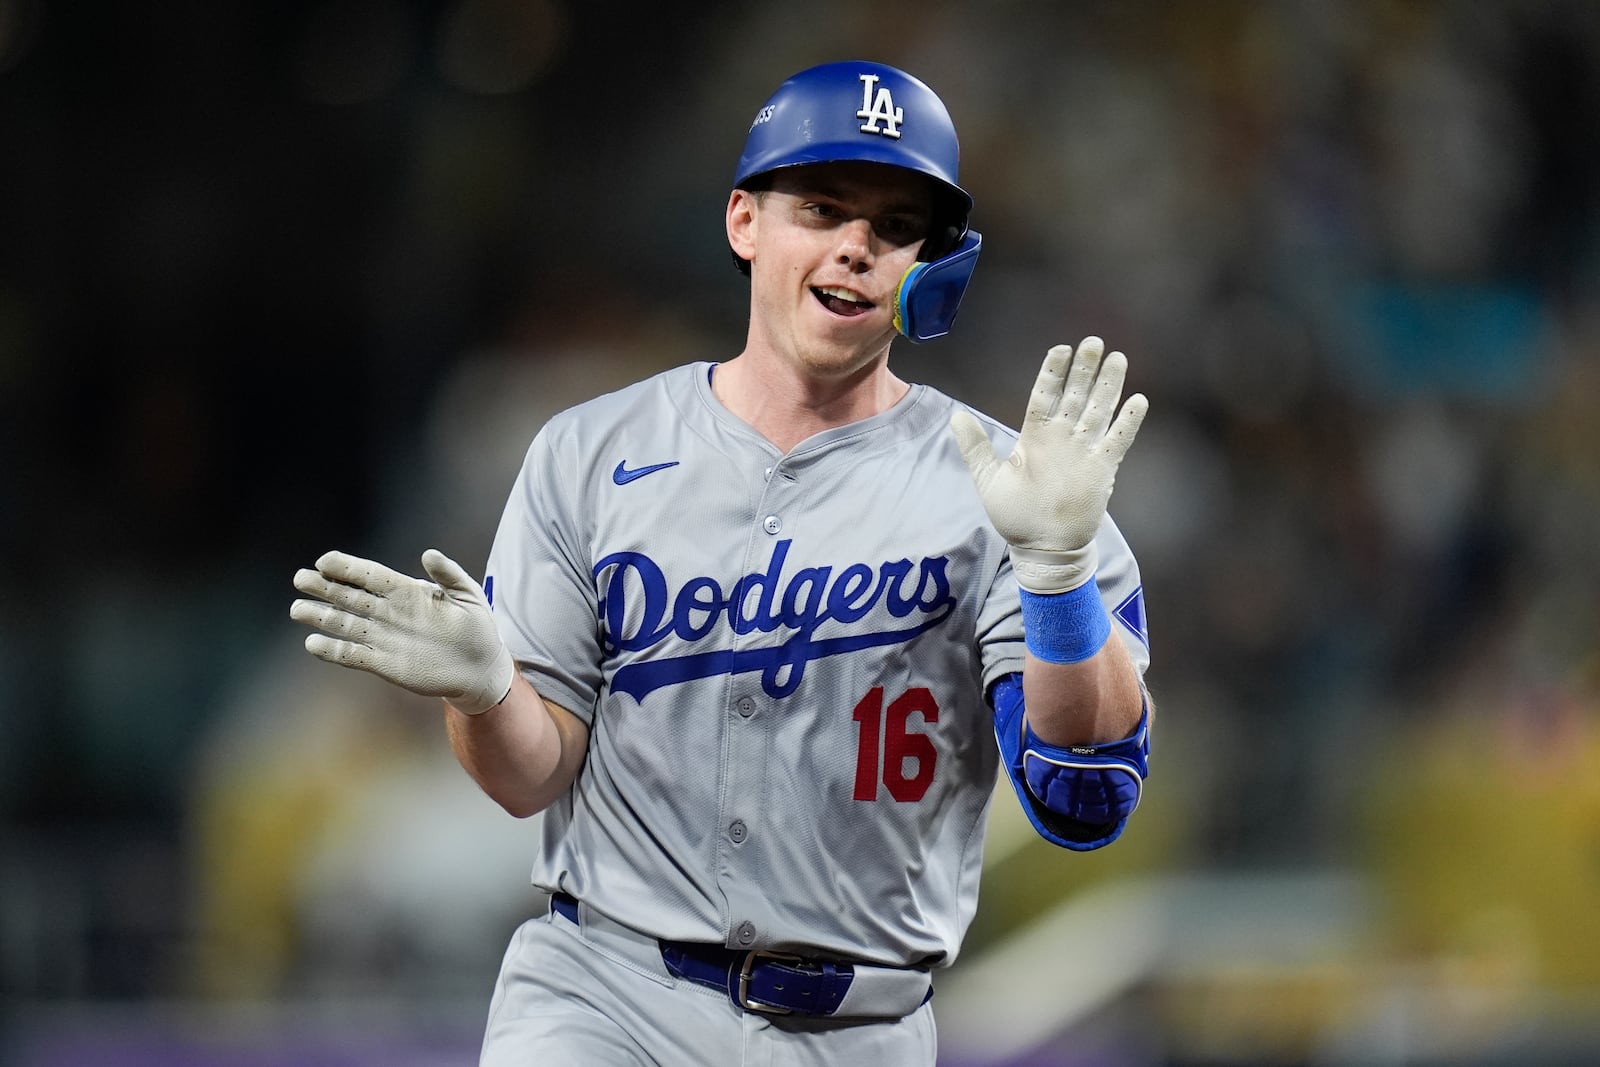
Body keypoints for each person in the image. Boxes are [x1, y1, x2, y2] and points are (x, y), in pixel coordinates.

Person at [290, 59, 1154, 1066]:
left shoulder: (1014, 489)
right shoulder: (590, 454)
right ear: (745, 221)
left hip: (858, 1026)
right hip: (602, 992)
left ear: (935, 263)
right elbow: (529, 778)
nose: (855, 246)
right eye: (822, 206)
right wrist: (486, 693)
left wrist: (1055, 572)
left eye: (894, 225)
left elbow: (1082, 794)